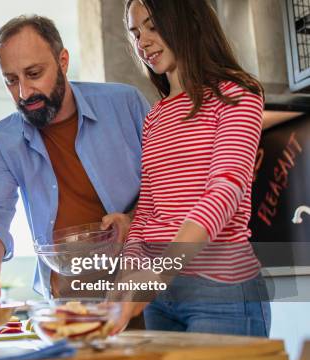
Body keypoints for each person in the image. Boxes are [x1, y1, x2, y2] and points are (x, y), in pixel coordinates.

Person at [0, 15, 150, 306]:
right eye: (11, 81)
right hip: (70, 303)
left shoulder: (125, 104)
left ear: (63, 61)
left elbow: (168, 182)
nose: (24, 93)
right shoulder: (1, 140)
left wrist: (132, 220)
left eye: (34, 73)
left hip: (145, 289)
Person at [111, 0, 270, 336]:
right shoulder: (155, 117)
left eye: (152, 27)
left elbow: (225, 191)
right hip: (162, 297)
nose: (143, 43)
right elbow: (148, 210)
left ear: (189, 21)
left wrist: (160, 271)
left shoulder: (236, 94)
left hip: (220, 289)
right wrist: (129, 275)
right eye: (135, 34)